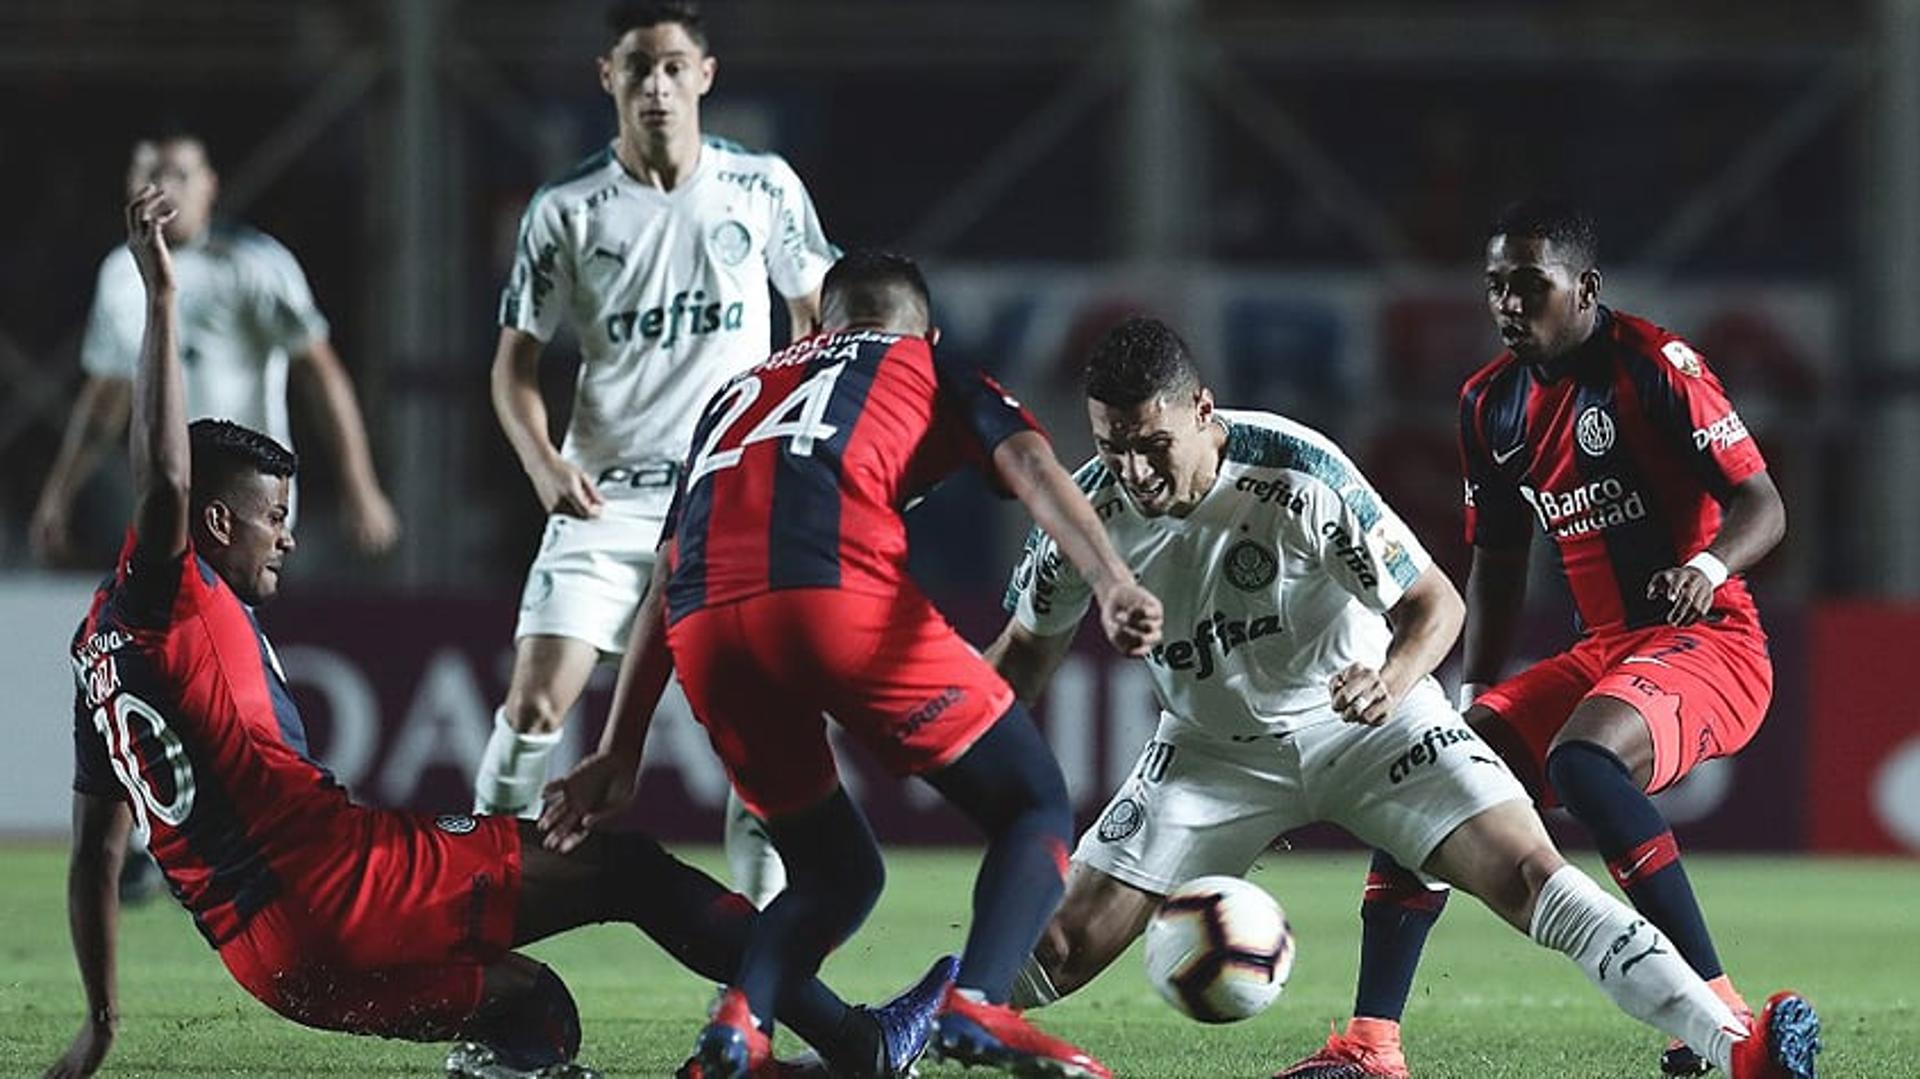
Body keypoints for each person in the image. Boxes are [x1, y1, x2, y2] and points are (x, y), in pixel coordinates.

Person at [46, 187, 951, 1079]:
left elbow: (96, 852)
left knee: (533, 1011)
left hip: (274, 965)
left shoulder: (99, 651)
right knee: (626, 869)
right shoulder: (172, 589)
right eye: (271, 516)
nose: (286, 534)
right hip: (346, 883)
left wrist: (99, 1021)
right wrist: (162, 298)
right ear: (209, 525)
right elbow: (165, 477)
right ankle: (861, 1044)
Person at [987, 316, 1819, 1079]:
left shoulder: (1297, 471)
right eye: (1112, 444)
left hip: (1370, 727)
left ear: (1203, 411)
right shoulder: (1086, 510)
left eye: (1152, 444)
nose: (1133, 470)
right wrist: (928, 718)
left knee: (1532, 875)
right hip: (1207, 756)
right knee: (1056, 947)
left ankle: (1733, 1044)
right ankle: (893, 1041)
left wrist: (1390, 679)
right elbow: (1022, 659)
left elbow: (1435, 604)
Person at [541, 251, 1165, 1079]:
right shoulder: (925, 363)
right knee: (1034, 804)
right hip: (836, 596)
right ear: (926, 329)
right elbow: (1031, 464)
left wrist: (619, 749)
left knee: (835, 872)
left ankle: (740, 1021)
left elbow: (665, 571)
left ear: (814, 328)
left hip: (706, 628)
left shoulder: (733, 396)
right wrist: (1113, 581)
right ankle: (977, 1004)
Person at [1288, 199, 1800, 1079]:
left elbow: (1765, 504)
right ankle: (1372, 1046)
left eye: (1530, 285)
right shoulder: (1490, 403)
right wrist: (1461, 704)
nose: (1509, 304)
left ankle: (1716, 1010)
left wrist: (1707, 570)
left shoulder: (1655, 367)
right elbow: (1495, 560)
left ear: (1586, 287)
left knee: (1583, 760)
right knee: (1425, 766)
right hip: (1605, 648)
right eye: (1496, 287)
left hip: (1709, 639)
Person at [476, 0, 833, 909]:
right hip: (610, 498)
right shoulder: (565, 211)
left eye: (674, 65)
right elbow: (513, 368)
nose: (658, 85)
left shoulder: (764, 189)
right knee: (534, 706)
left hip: (729, 502)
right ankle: (467, 903)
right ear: (610, 78)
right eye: (638, 67)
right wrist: (543, 465)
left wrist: (794, 447)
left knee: (762, 738)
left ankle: (752, 966)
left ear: (705, 76)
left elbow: (816, 321)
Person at [31, 130, 399, 566]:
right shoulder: (118, 275)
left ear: (209, 185)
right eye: (151, 173)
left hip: (247, 511)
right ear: (130, 183)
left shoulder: (254, 266)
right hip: (166, 512)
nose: (165, 188)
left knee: (205, 625)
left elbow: (320, 375)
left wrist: (359, 484)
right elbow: (106, 397)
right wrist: (59, 494)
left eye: (181, 175)